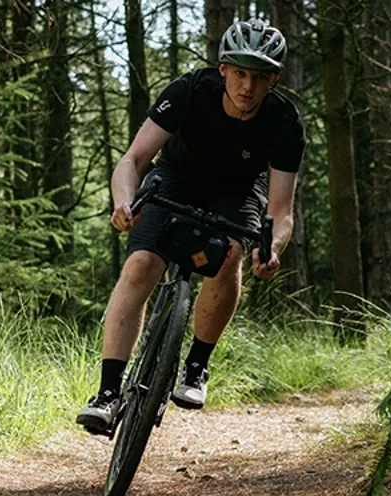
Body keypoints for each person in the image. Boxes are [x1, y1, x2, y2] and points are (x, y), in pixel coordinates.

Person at [76, 18, 305, 434]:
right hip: (175, 180)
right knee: (142, 264)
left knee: (231, 255)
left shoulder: (284, 121)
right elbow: (133, 160)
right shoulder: (189, 91)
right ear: (223, 71)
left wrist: (272, 247)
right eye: (238, 73)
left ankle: (196, 366)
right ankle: (108, 394)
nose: (247, 87)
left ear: (273, 79)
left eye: (258, 77)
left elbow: (281, 208)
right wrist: (124, 200)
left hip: (236, 193)